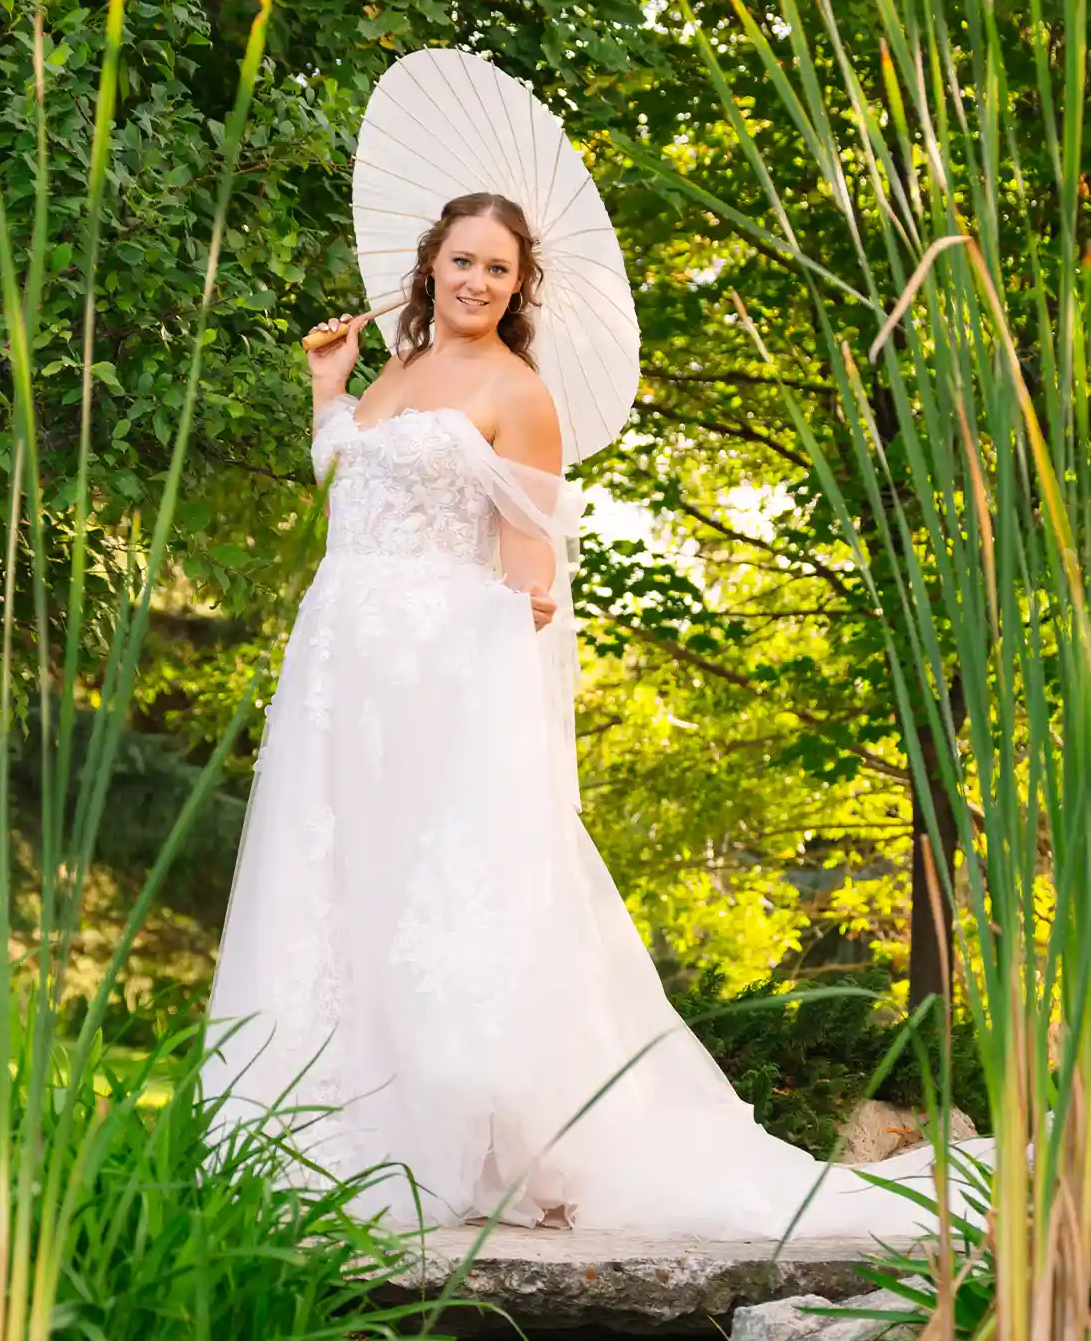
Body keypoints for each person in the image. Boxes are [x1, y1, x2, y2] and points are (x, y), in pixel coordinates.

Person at [203, 191, 977, 1238]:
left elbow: (531, 569)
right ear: (430, 263)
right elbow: (349, 482)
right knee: (336, 882)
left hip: (431, 678)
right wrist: (327, 392)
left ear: (520, 288)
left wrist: (499, 631)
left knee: (434, 895)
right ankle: (330, 1133)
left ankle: (468, 1146)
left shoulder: (521, 393)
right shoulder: (393, 365)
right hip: (342, 665)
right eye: (464, 259)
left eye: (500, 269)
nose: (478, 280)